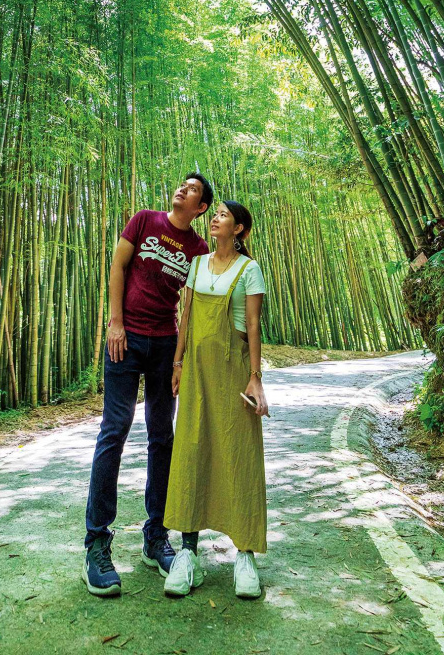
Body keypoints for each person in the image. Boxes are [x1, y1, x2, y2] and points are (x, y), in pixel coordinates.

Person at [83, 173, 213, 597]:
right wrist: (115, 322)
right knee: (114, 432)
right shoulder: (143, 221)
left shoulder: (199, 249)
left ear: (201, 209)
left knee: (162, 437)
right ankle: (97, 544)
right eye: (182, 184)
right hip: (127, 339)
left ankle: (156, 537)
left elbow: (191, 306)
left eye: (193, 190)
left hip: (164, 345)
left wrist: (180, 360)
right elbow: (118, 266)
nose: (183, 189)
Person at [162, 200, 268, 600]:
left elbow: (254, 325)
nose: (215, 219)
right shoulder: (197, 264)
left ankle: (245, 554)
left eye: (222, 214)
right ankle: (187, 554)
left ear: (238, 229)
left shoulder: (249, 269)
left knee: (238, 452)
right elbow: (186, 316)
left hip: (233, 369)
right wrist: (177, 362)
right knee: (191, 450)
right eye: (215, 214)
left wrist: (255, 378)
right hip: (196, 372)